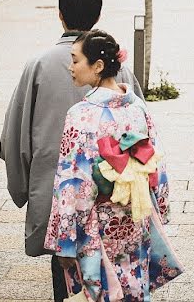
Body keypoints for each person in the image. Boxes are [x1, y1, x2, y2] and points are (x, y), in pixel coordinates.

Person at [0, 0, 144, 302]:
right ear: (98, 16)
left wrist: (26, 188)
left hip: (59, 200)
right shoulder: (118, 71)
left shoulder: (38, 65)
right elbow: (141, 139)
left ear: (60, 16)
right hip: (110, 198)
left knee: (65, 276)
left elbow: (14, 140)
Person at [45, 30, 181, 301]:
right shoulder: (136, 108)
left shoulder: (81, 115)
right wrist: (160, 209)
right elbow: (155, 164)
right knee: (133, 286)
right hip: (136, 216)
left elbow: (73, 182)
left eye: (75, 60)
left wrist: (64, 239)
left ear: (97, 66)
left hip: (98, 224)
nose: (70, 67)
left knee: (101, 291)